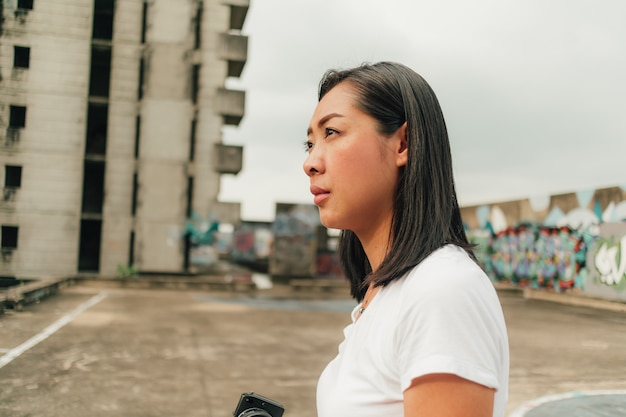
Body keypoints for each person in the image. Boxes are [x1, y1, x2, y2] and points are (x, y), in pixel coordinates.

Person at [303, 62, 509, 417]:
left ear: (404, 143)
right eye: (309, 144)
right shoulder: (386, 293)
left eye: (332, 132)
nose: (310, 162)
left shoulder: (442, 288)